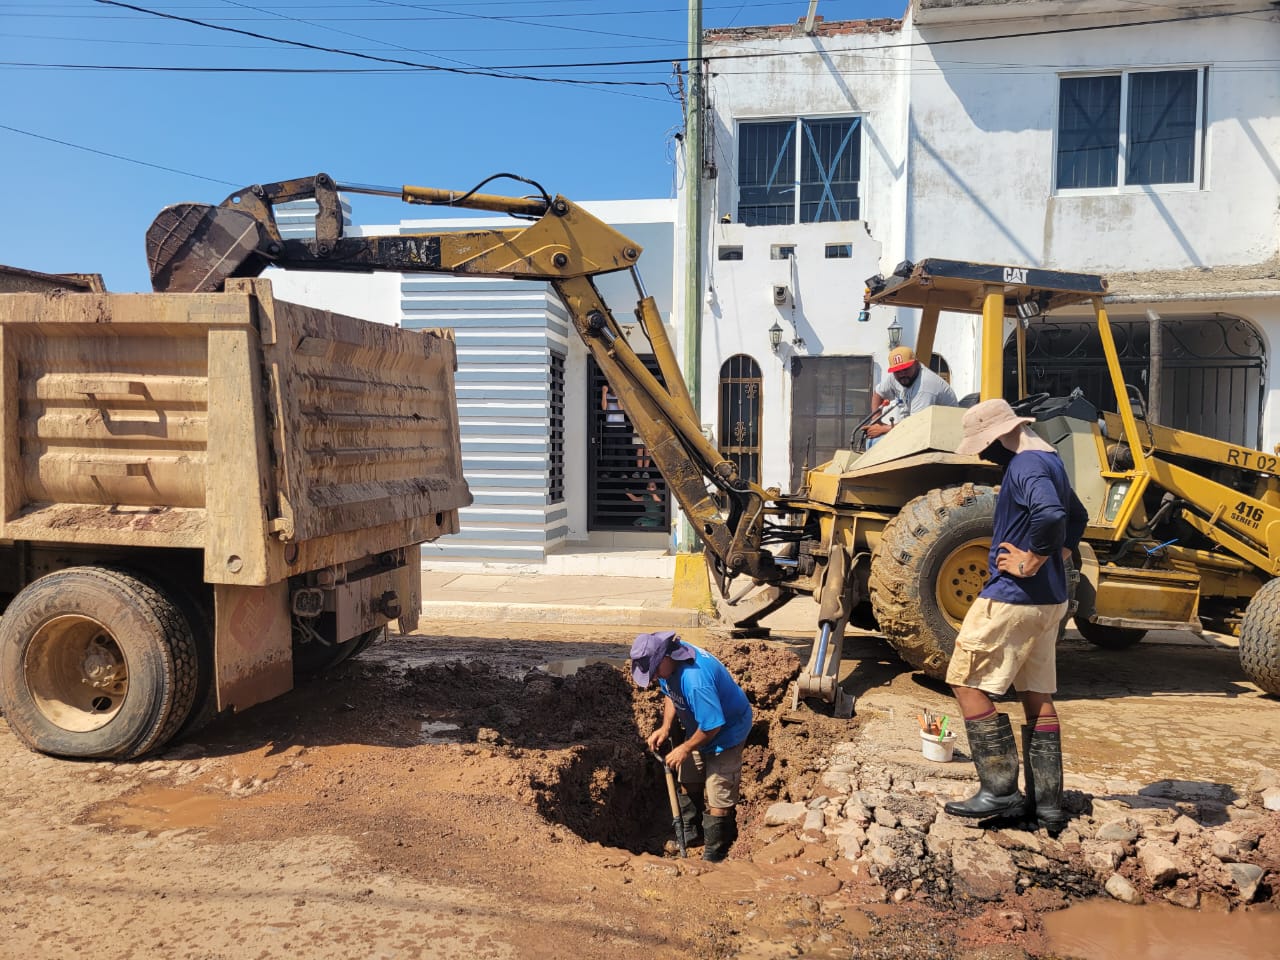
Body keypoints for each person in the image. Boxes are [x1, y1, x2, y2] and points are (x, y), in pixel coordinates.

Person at [943, 398, 1089, 835]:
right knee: (1036, 693)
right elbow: (1076, 517)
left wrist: (1032, 559)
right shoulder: (1051, 460)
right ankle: (1047, 805)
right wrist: (1058, 554)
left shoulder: (1024, 467)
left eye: (986, 447)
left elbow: (1051, 514)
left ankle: (999, 788)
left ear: (1001, 436)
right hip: (1049, 600)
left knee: (964, 680)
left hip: (1013, 597)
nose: (987, 456)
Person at [630, 630, 752, 862]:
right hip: (701, 726)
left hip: (727, 732)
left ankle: (715, 853)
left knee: (719, 793)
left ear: (665, 657)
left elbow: (713, 727)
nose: (654, 677)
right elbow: (671, 692)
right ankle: (692, 834)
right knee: (688, 778)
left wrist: (685, 748)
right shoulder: (670, 659)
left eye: (654, 671)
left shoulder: (696, 681)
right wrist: (666, 727)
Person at [864, 346, 958, 442]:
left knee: (878, 442)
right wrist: (877, 422)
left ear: (916, 364)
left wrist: (883, 429)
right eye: (897, 371)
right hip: (919, 432)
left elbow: (916, 424)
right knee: (872, 440)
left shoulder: (924, 385)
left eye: (906, 369)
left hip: (941, 436)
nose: (902, 374)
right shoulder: (895, 378)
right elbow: (878, 393)